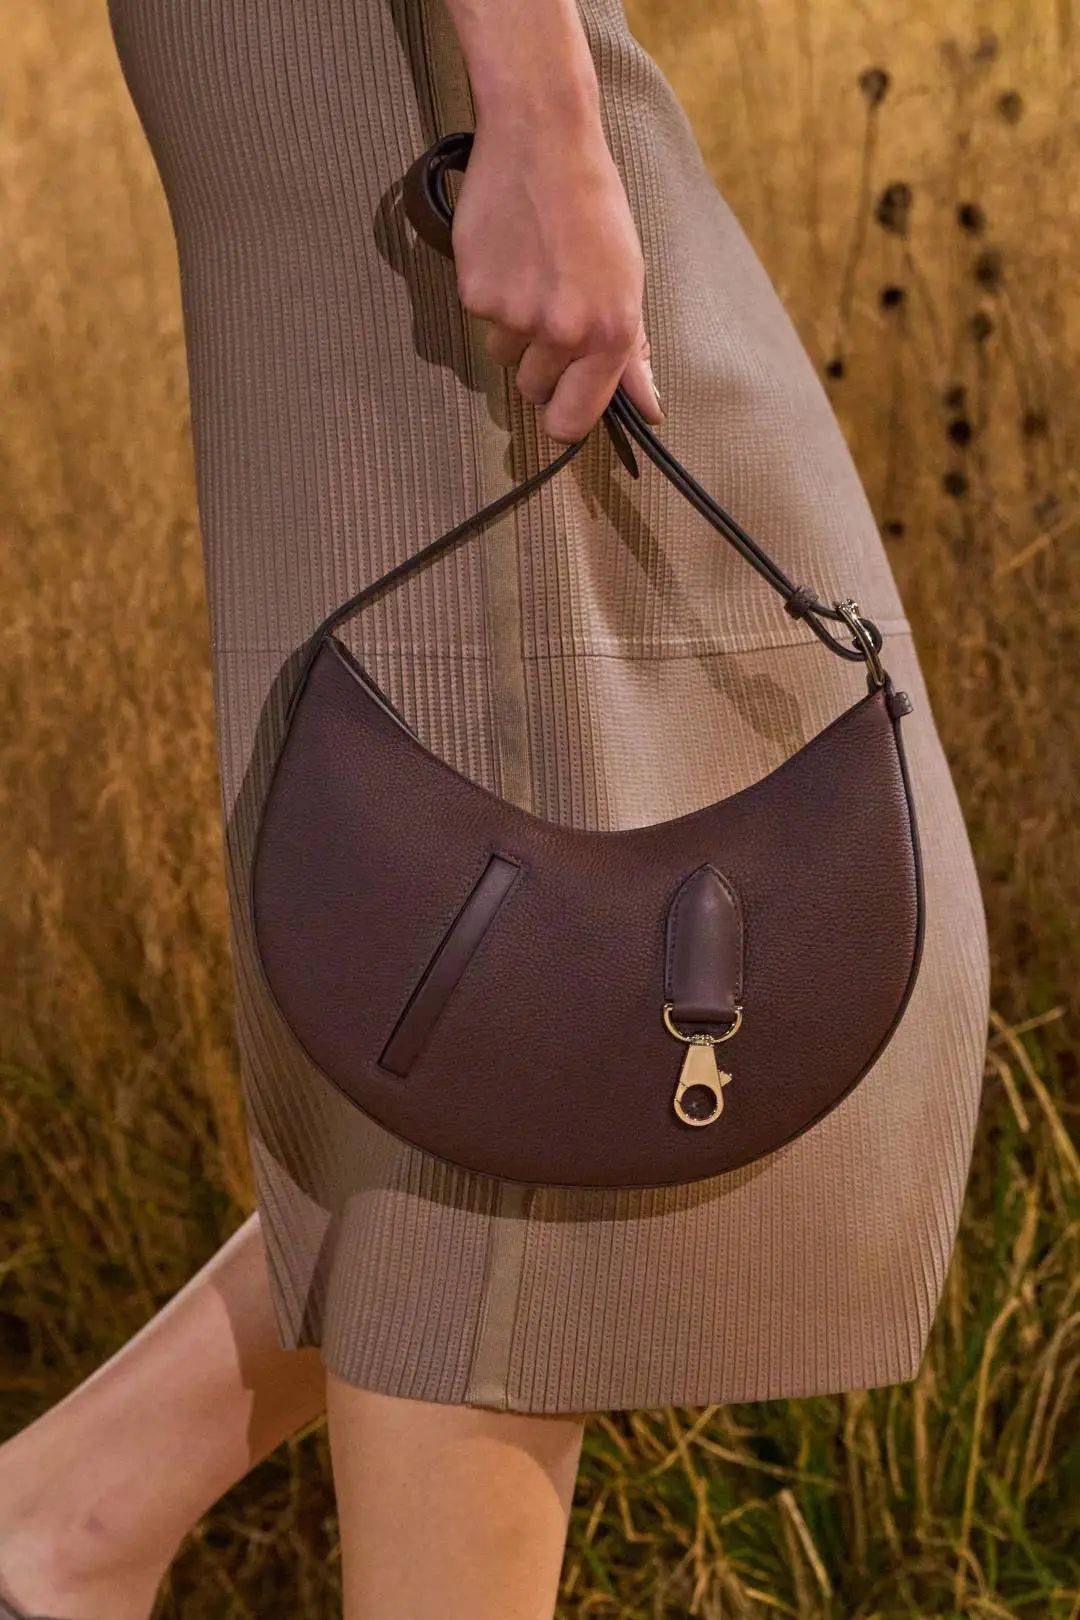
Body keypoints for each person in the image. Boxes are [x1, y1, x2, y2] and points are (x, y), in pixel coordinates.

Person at [0, 0, 990, 1616]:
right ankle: (65, 1532)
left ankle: (70, 1528)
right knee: (533, 1006)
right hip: (417, 52)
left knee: (520, 994)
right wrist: (533, 103)